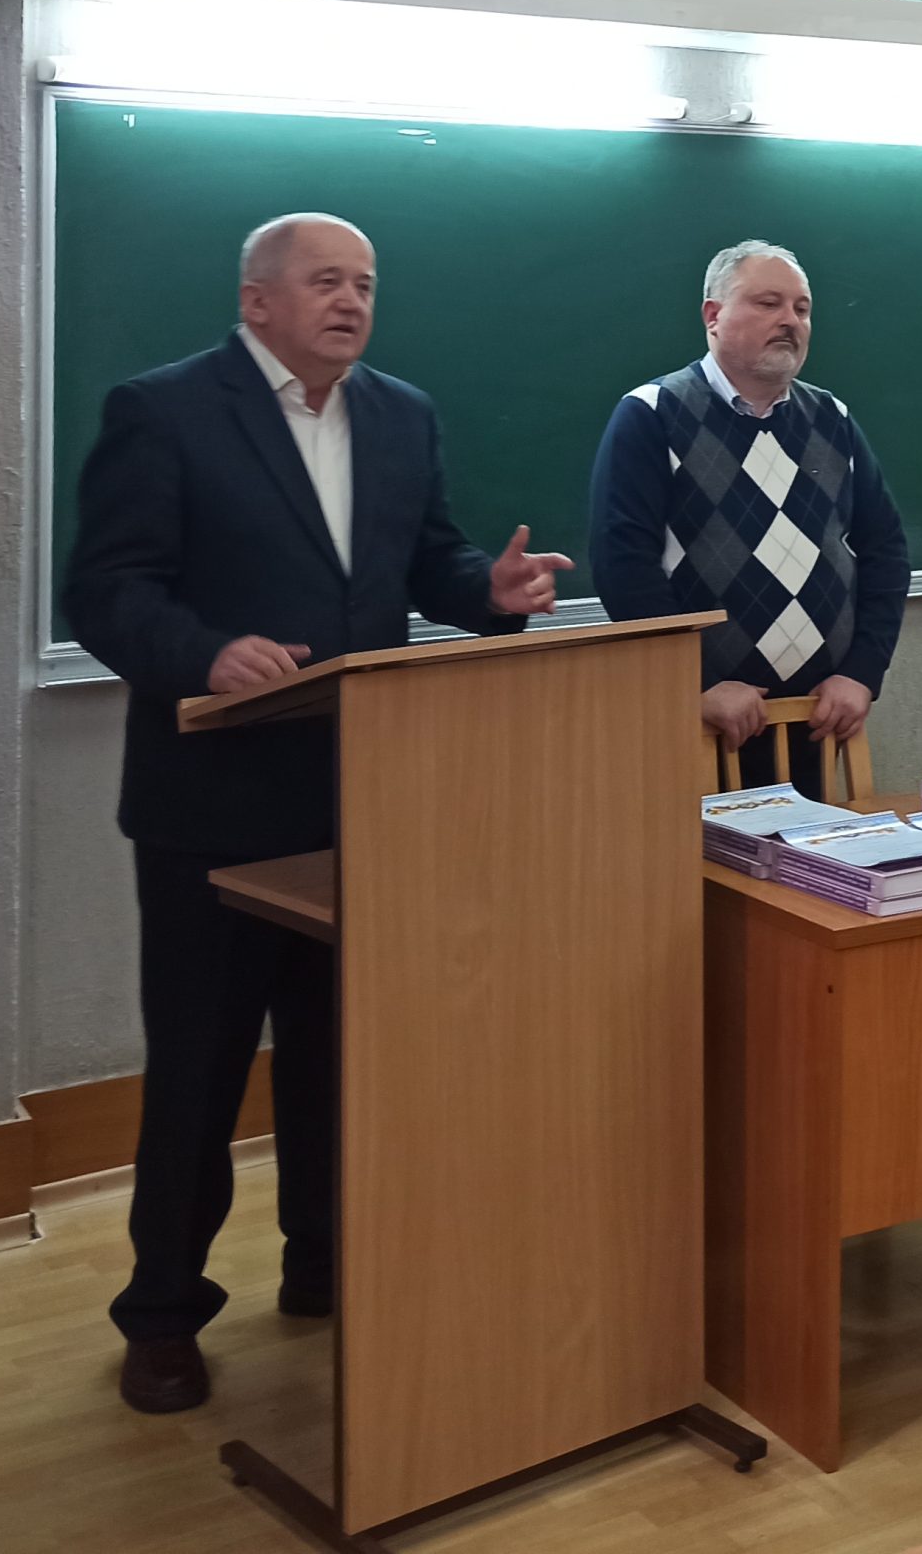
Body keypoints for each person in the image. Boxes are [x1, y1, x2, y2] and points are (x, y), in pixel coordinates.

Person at [64, 214, 568, 1417]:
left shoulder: (401, 414)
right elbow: (105, 590)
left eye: (366, 284)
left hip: (357, 797)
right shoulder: (163, 410)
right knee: (200, 1070)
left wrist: (489, 593)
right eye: (326, 281)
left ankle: (324, 1263)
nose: (351, 301)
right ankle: (163, 1314)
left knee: (339, 1058)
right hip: (212, 808)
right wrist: (203, 651)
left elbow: (427, 563)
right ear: (257, 301)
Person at [590, 241, 910, 781]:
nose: (790, 321)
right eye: (768, 303)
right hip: (700, 717)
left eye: (802, 309)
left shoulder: (832, 418)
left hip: (815, 715)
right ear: (713, 316)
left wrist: (862, 672)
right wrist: (697, 682)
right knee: (695, 841)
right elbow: (623, 567)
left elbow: (886, 551)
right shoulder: (652, 414)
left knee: (815, 840)